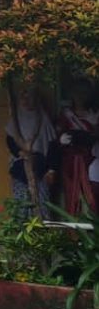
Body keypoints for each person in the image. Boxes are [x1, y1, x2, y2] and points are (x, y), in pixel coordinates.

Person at [6, 87, 59, 218]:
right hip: (20, 167)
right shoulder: (16, 120)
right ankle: (22, 228)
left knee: (42, 203)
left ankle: (42, 229)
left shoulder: (43, 120)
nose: (26, 101)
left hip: (41, 167)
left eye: (29, 98)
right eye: (23, 98)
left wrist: (51, 170)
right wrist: (21, 152)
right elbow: (11, 141)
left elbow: (52, 145)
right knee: (21, 203)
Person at [57, 79, 98, 215]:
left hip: (90, 160)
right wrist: (62, 139)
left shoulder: (94, 114)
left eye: (84, 93)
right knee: (72, 193)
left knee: (91, 194)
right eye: (77, 92)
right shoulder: (66, 115)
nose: (80, 96)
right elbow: (57, 136)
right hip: (71, 162)